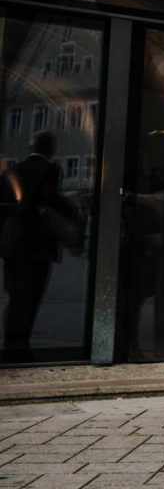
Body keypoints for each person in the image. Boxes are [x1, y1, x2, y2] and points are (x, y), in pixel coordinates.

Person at [0, 131, 81, 360]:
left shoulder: (15, 170)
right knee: (31, 296)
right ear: (51, 149)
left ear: (30, 147)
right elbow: (49, 197)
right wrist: (71, 211)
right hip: (34, 244)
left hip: (11, 243)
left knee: (16, 295)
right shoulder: (49, 169)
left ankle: (12, 346)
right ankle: (20, 347)